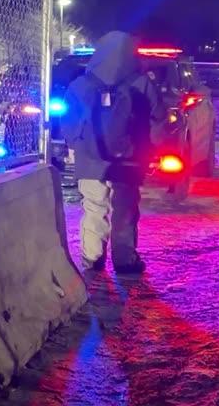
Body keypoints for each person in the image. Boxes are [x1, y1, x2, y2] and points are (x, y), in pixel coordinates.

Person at [60, 31, 165, 275]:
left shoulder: (81, 84)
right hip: (129, 159)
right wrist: (152, 150)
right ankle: (124, 259)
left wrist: (77, 145)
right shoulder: (142, 83)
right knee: (125, 210)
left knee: (94, 207)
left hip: (90, 156)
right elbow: (157, 119)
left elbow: (68, 120)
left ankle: (92, 260)